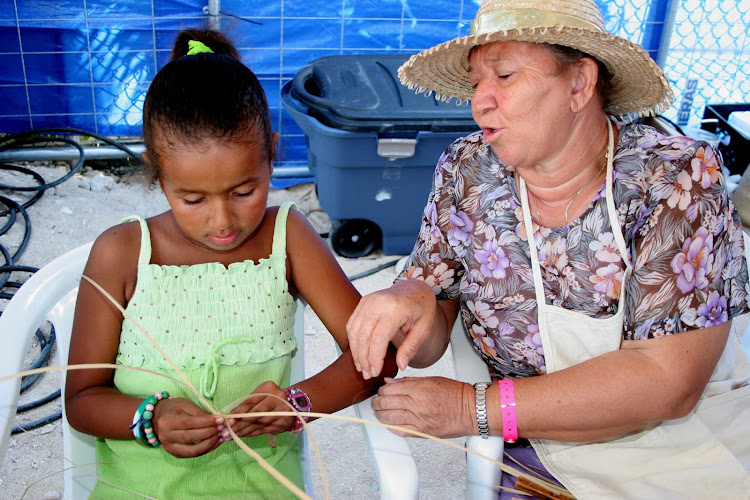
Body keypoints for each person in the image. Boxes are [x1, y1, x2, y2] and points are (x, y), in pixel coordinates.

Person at [346, 0, 750, 497]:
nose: (480, 102)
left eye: (506, 76)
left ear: (579, 83)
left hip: (677, 444)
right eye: (476, 83)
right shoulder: (467, 168)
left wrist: (469, 409)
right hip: (531, 438)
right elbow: (430, 336)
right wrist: (410, 296)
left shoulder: (675, 176)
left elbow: (669, 383)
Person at [65, 28, 396, 499]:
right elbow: (81, 400)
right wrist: (150, 418)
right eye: (192, 198)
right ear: (156, 172)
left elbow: (375, 357)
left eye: (245, 191)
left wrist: (297, 404)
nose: (223, 221)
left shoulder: (289, 238)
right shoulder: (121, 252)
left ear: (273, 153)